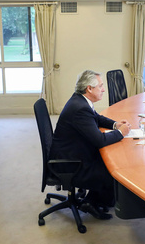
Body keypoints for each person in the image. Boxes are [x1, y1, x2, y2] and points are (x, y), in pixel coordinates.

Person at [49, 70, 131, 220]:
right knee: (114, 169)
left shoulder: (80, 101)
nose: (104, 89)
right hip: (69, 163)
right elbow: (99, 140)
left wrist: (115, 124)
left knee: (109, 161)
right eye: (100, 86)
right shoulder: (80, 108)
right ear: (89, 88)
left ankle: (94, 200)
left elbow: (96, 118)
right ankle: (92, 202)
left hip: (70, 152)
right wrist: (121, 133)